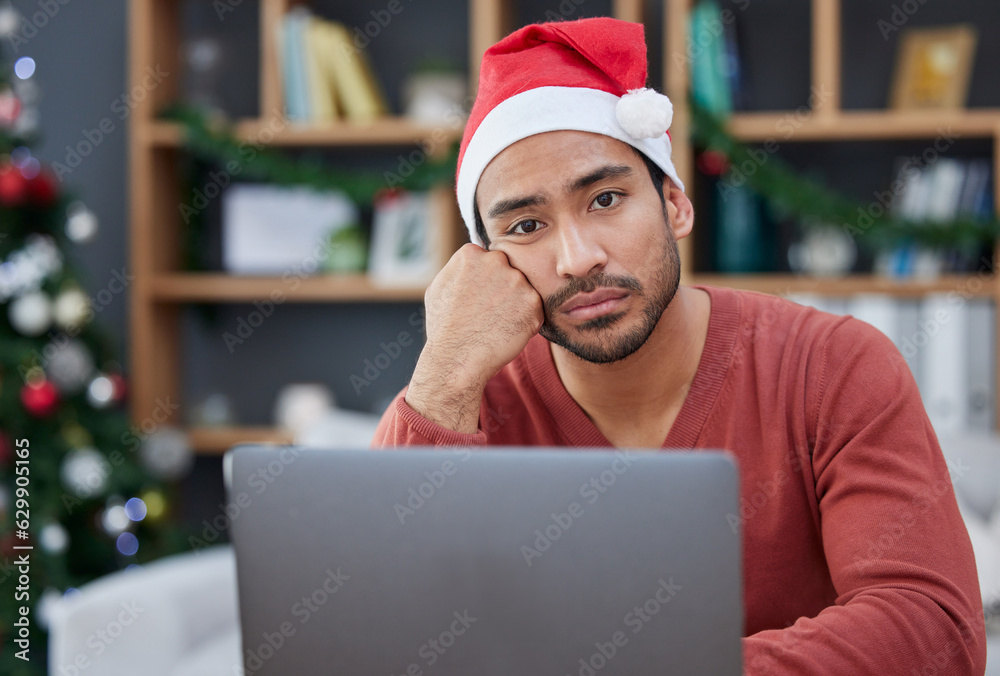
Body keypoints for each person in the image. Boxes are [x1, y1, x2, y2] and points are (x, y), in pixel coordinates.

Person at [372, 16, 987, 675]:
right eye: (526, 225)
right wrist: (443, 375)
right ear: (486, 261)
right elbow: (375, 636)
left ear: (676, 205)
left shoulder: (834, 366)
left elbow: (933, 632)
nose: (578, 258)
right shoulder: (463, 394)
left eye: (606, 198)